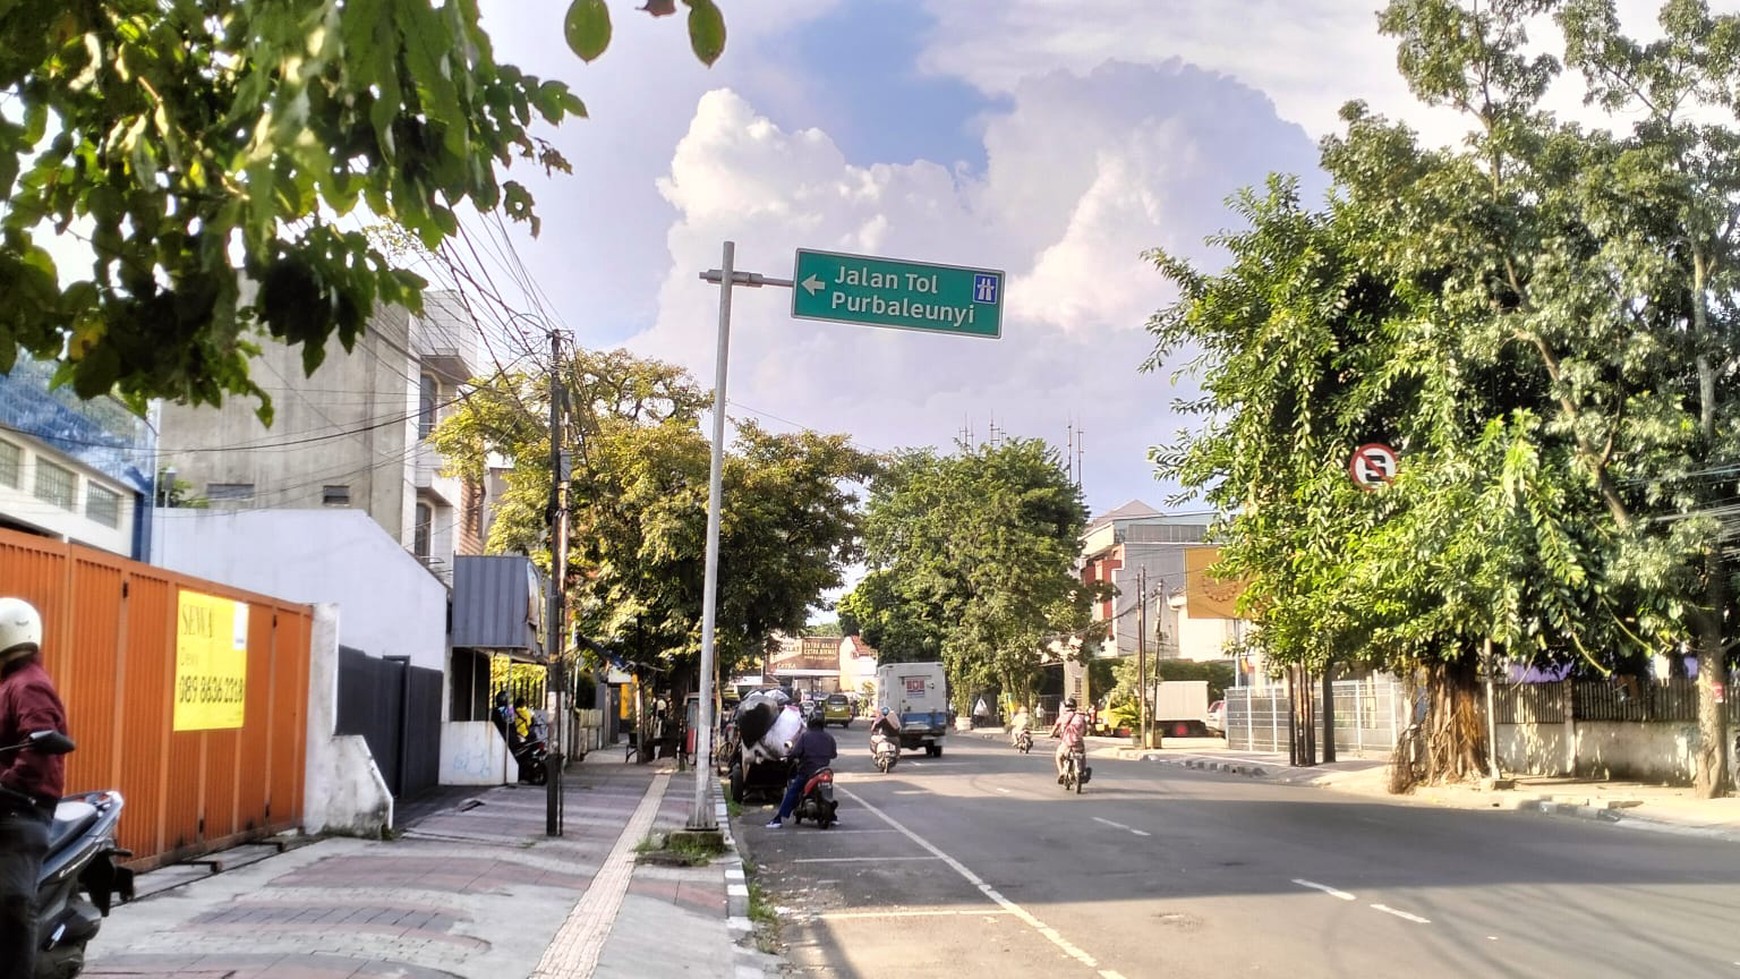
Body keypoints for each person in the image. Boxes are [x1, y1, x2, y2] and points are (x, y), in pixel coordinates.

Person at [0, 598, 68, 979]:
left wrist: (9, 781)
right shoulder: (9, 681)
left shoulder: (28, 685)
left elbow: (39, 742)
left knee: (12, 902)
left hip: (20, 808)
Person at [767, 713, 837, 829]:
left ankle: (778, 819)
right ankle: (834, 818)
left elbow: (795, 752)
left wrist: (790, 756)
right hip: (824, 771)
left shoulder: (805, 737)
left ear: (809, 722)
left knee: (792, 792)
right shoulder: (829, 737)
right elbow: (833, 755)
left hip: (807, 772)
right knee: (828, 791)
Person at [1050, 697, 1089, 784]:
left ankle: (1062, 773)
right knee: (1083, 755)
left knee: (1058, 756)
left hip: (1066, 744)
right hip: (1078, 743)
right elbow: (1085, 730)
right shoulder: (1081, 717)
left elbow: (1055, 727)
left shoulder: (1062, 717)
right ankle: (1082, 770)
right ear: (1075, 706)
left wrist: (1051, 734)